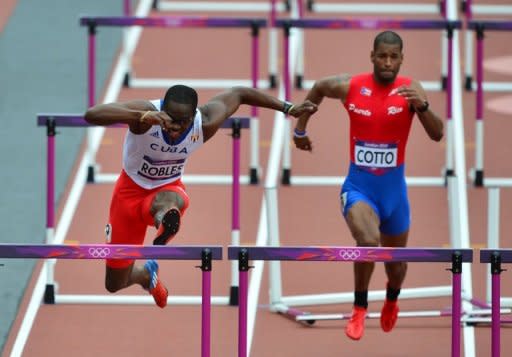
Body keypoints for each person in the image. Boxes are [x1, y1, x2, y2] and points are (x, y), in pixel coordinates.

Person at [85, 85, 317, 308]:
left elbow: (240, 94)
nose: (173, 127)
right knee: (114, 283)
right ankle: (146, 275)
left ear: (193, 116)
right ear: (162, 109)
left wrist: (287, 108)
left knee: (167, 203)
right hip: (128, 194)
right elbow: (92, 114)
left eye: (181, 122)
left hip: (168, 190)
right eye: (170, 119)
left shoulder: (204, 122)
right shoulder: (145, 115)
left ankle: (165, 222)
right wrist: (143, 116)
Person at [292, 31, 443, 340]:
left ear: (401, 59)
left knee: (395, 267)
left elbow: (438, 134)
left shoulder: (411, 90)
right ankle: (359, 307)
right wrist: (300, 129)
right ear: (372, 56)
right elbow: (319, 87)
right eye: (382, 56)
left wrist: (423, 107)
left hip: (395, 195)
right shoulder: (352, 86)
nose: (387, 62)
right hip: (359, 188)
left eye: (393, 57)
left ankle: (392, 298)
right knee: (367, 241)